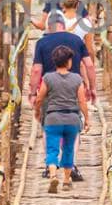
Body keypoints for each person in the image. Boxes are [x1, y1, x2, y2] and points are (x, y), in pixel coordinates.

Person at [29, 11, 95, 181]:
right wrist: (92, 87)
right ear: (64, 26)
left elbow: (36, 70)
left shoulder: (42, 42)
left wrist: (32, 92)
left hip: (48, 88)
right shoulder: (77, 40)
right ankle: (71, 165)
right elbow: (89, 65)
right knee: (74, 128)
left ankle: (49, 166)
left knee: (47, 126)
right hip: (73, 87)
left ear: (48, 28)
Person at [35, 44, 90, 195]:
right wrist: (87, 118)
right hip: (72, 119)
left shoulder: (48, 78)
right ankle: (66, 181)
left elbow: (40, 98)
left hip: (53, 118)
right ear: (68, 62)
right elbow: (82, 101)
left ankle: (53, 175)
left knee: (52, 149)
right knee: (68, 149)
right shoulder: (77, 79)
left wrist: (37, 112)